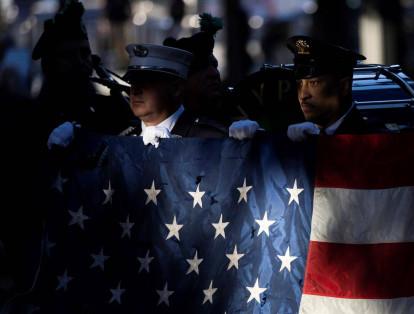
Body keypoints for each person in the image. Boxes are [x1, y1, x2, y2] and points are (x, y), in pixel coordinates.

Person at [119, 43, 228, 146]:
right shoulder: (124, 137)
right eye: (133, 82)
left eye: (147, 83)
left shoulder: (210, 139)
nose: (135, 90)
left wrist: (171, 146)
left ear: (176, 89)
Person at [285, 35, 370, 141]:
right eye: (300, 84)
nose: (303, 95)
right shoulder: (299, 132)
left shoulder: (369, 138)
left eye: (314, 83)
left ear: (344, 86)